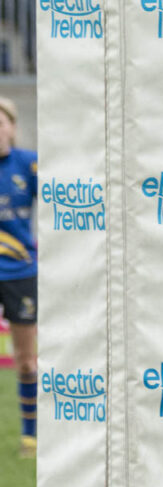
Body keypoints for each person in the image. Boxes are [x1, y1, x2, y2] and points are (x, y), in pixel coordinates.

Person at [0, 97, 37, 459]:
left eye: (0, 123)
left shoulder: (29, 164)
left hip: (21, 272)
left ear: (12, 126)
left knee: (26, 361)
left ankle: (31, 437)